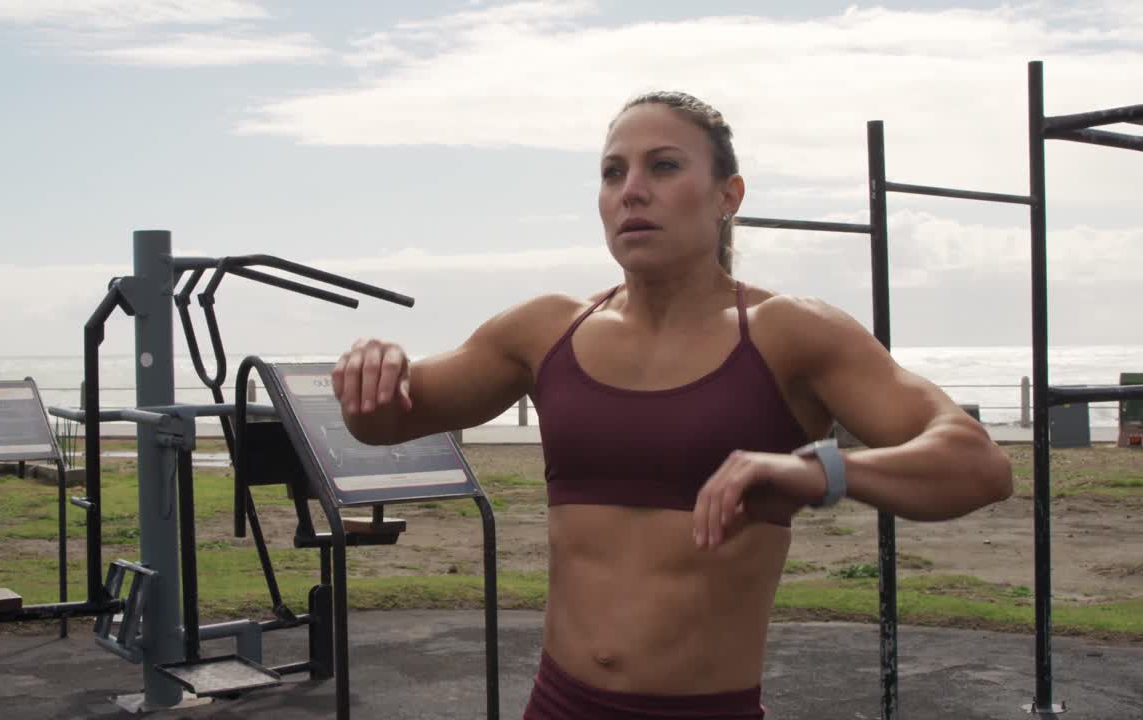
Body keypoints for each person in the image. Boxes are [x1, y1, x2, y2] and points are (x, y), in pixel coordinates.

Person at [331, 91, 1014, 720]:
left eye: (662, 167)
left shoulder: (789, 333)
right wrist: (371, 371)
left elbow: (978, 464)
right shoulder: (545, 331)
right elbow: (389, 418)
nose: (632, 191)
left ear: (727, 195)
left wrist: (823, 470)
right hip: (558, 707)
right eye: (612, 173)